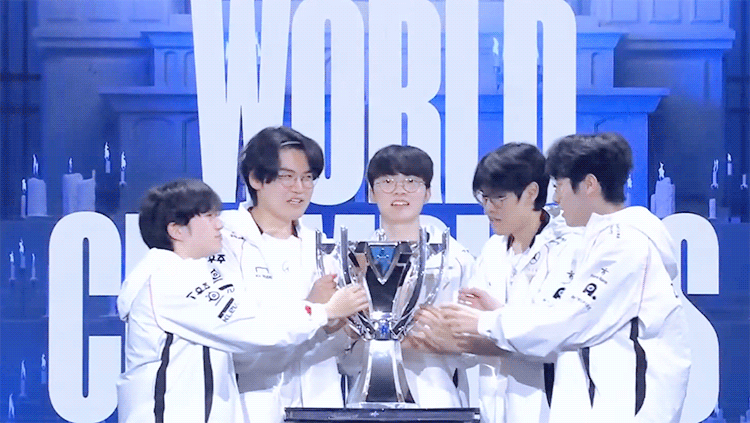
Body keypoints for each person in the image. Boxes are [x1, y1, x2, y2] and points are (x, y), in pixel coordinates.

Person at [443, 133, 691, 423]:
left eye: (560, 186)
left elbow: (571, 322)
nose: (556, 198)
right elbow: (569, 318)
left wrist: (483, 322)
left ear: (588, 185)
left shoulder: (626, 244)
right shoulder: (599, 240)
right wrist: (498, 313)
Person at [116, 179, 367, 423]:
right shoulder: (168, 280)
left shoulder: (193, 274)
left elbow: (253, 326)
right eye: (209, 216)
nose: (220, 225)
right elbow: (249, 327)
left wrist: (321, 324)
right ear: (176, 230)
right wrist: (324, 311)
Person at [416, 143, 582, 423]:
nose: (488, 209)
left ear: (531, 193)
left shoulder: (569, 248)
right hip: (494, 406)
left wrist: (487, 323)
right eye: (484, 198)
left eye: (499, 198)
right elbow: (473, 337)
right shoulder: (493, 249)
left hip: (548, 406)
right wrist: (447, 334)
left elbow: (553, 340)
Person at [209, 127, 352, 423]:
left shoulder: (323, 248)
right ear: (256, 179)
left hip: (321, 403)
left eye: (307, 178)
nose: (299, 188)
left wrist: (342, 328)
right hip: (251, 405)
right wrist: (314, 310)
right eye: (287, 177)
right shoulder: (222, 241)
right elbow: (237, 342)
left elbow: (340, 349)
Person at [343, 144, 475, 407]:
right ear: (371, 193)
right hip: (368, 399)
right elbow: (343, 355)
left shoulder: (455, 260)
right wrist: (380, 341)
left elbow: (475, 348)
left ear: (428, 193)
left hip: (437, 396)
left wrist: (443, 341)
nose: (399, 190)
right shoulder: (354, 262)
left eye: (412, 181)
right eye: (387, 182)